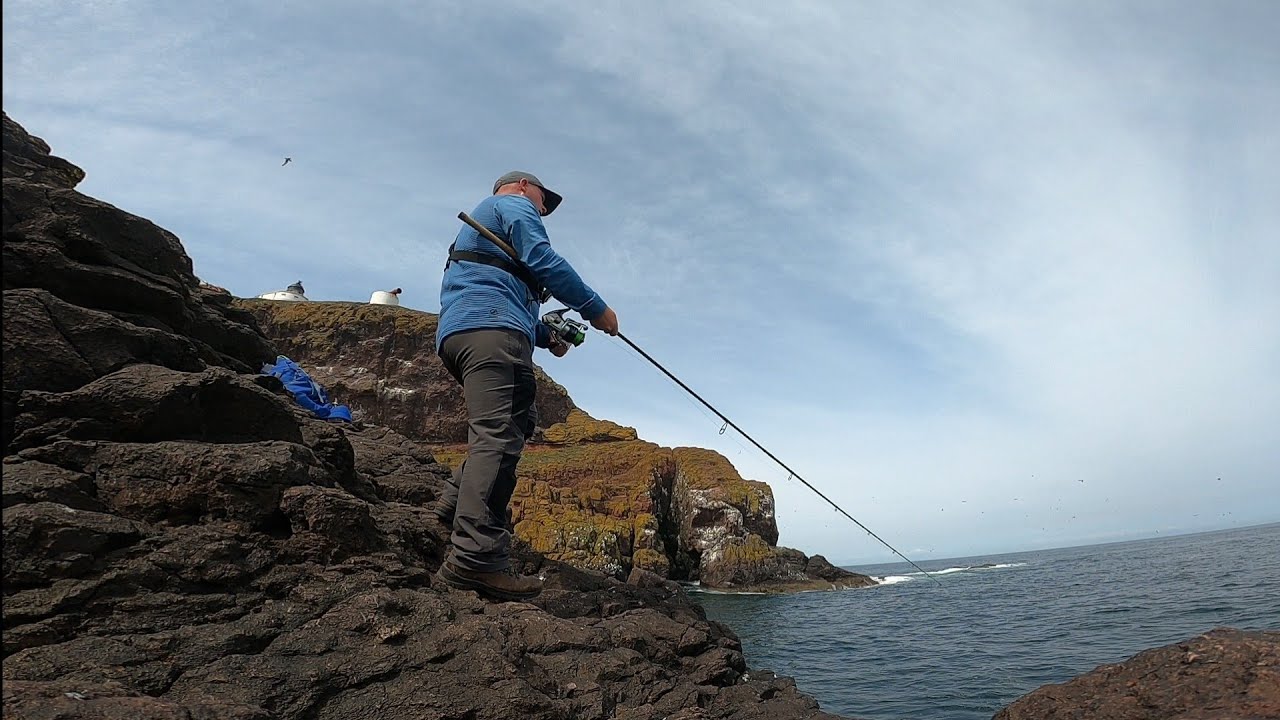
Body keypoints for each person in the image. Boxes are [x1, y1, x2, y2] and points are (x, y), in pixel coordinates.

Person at [433, 170, 619, 601]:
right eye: (542, 197)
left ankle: (450, 508)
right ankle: (474, 561)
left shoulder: (481, 227)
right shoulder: (512, 204)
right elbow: (542, 259)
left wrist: (545, 337)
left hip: (464, 334)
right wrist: (596, 308)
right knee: (498, 438)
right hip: (493, 331)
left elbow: (499, 287)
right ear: (521, 186)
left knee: (511, 425)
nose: (543, 206)